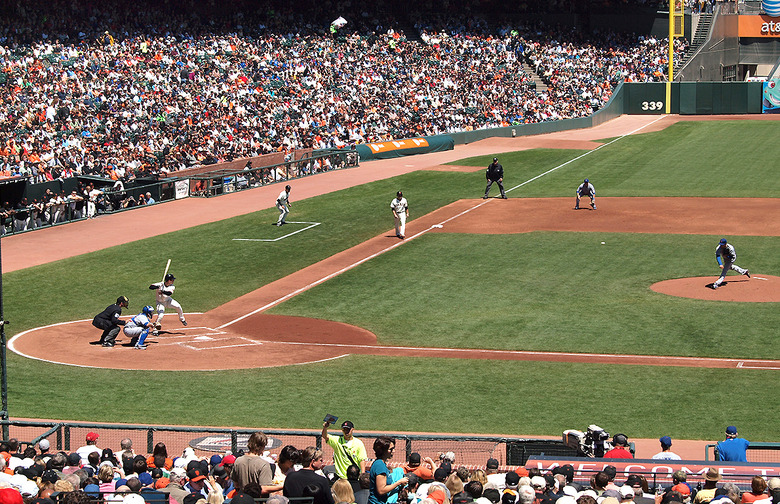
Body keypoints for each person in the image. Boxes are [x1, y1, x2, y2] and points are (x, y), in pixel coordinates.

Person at [369, 437, 407, 504]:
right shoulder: (380, 465)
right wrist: (399, 482)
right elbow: (381, 490)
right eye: (391, 449)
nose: (393, 451)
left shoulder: (380, 463)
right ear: (383, 450)